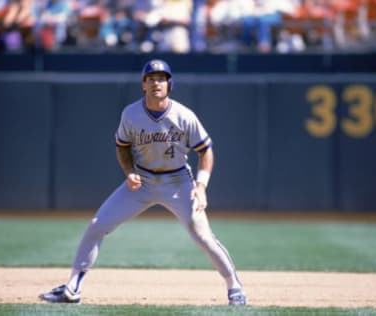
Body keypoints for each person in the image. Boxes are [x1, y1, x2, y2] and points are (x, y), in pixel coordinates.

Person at [39, 59, 247, 306]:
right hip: (142, 182)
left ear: (169, 84)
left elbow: (206, 151)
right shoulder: (131, 113)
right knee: (97, 225)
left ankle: (234, 286)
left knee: (203, 237)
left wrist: (201, 185)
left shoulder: (184, 115)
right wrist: (128, 171)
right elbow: (122, 147)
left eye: (161, 78)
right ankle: (72, 288)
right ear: (143, 84)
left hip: (178, 182)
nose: (156, 83)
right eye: (151, 78)